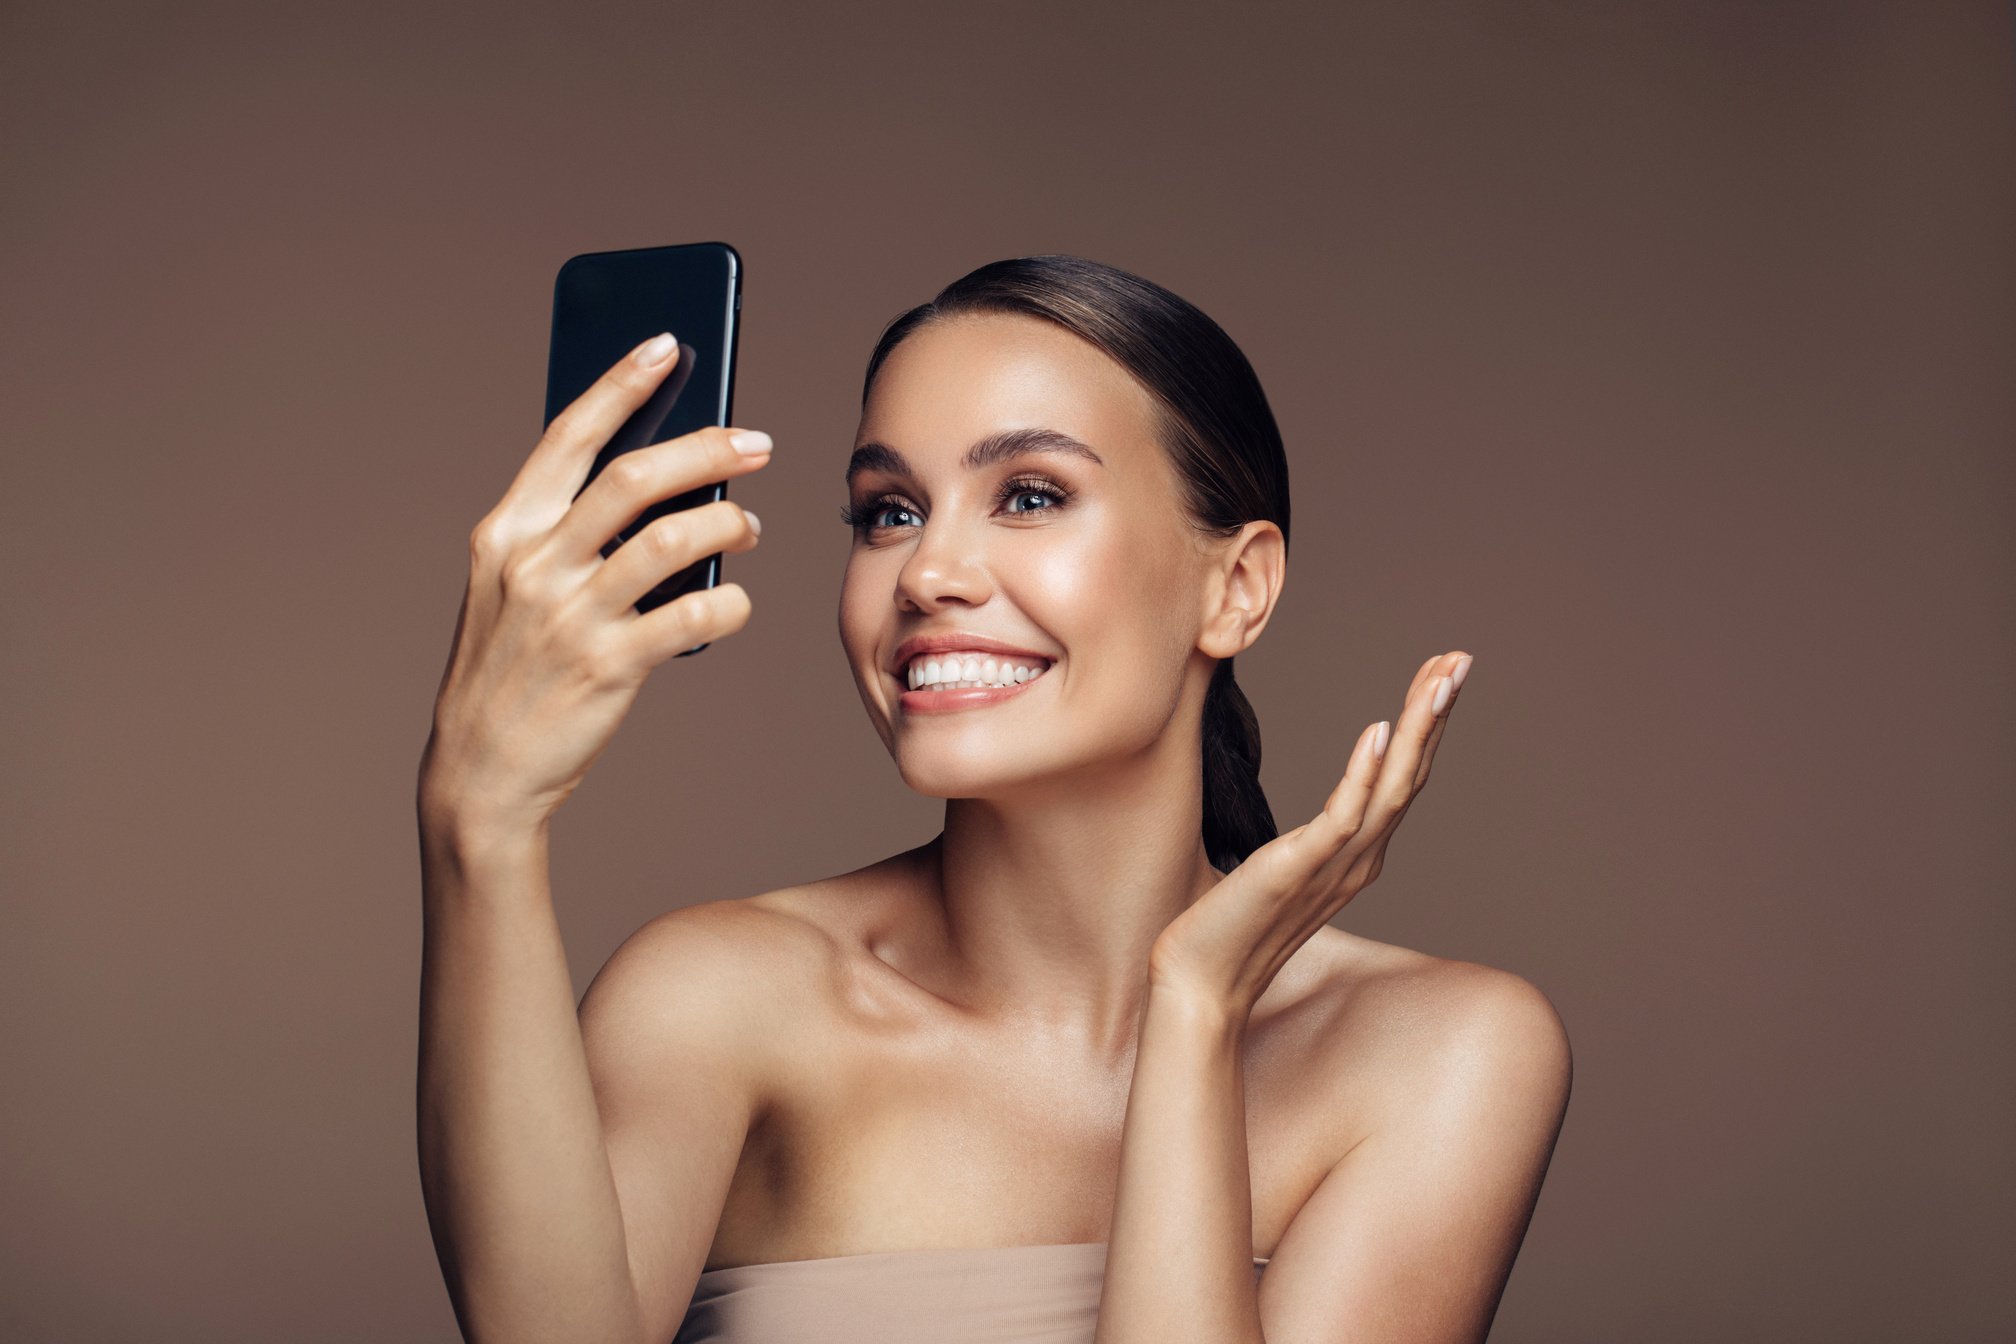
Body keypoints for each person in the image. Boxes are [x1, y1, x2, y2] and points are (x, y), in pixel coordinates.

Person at [415, 255, 1572, 1344]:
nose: (926, 574)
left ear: (1237, 586)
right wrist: (481, 823)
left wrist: (1194, 1016)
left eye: (1027, 494)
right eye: (890, 511)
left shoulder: (1440, 1054)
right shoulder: (719, 997)